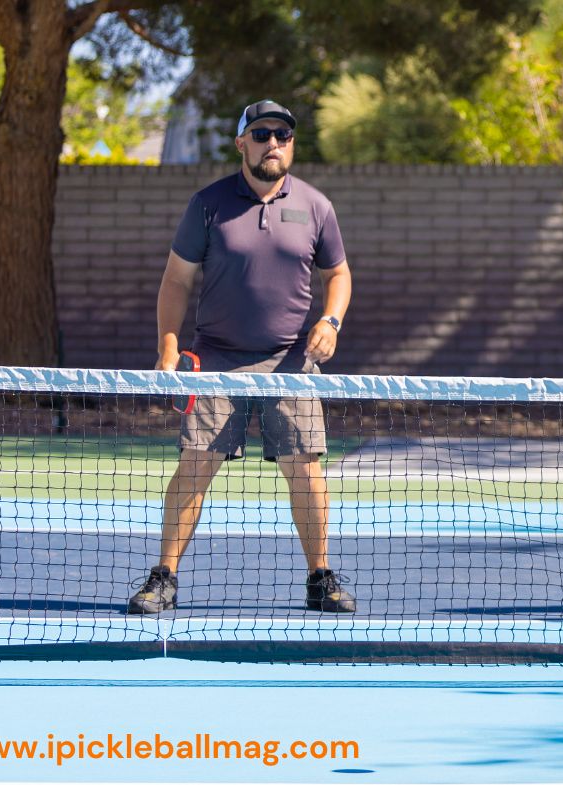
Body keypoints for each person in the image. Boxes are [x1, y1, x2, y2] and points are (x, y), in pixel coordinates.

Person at [127, 100, 357, 615]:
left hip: (291, 362)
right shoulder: (207, 205)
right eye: (261, 133)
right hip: (215, 359)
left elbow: (337, 275)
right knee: (196, 465)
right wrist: (168, 345)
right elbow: (176, 280)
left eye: (283, 135)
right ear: (241, 143)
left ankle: (320, 579)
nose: (273, 142)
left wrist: (330, 321)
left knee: (306, 470)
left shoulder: (316, 206)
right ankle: (164, 577)